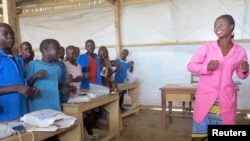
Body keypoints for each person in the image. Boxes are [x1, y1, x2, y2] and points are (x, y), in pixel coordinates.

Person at [187, 14, 249, 141]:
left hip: (225, 98)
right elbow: (191, 66)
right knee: (199, 135)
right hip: (206, 97)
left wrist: (245, 70)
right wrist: (206, 67)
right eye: (215, 26)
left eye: (221, 24)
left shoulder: (240, 51)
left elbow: (241, 75)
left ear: (231, 26)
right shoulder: (207, 47)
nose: (217, 28)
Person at [0, 23, 39, 122]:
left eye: (12, 33)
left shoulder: (18, 59)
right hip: (5, 115)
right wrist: (17, 88)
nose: (10, 37)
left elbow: (21, 83)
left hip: (22, 113)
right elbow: (17, 87)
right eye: (5, 34)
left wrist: (29, 90)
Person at [77, 39, 102, 139]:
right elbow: (75, 70)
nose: (90, 47)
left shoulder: (97, 58)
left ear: (94, 46)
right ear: (85, 47)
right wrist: (83, 72)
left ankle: (89, 132)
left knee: (94, 109)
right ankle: (87, 133)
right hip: (85, 87)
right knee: (87, 111)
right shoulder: (81, 57)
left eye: (92, 45)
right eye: (88, 45)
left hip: (96, 87)